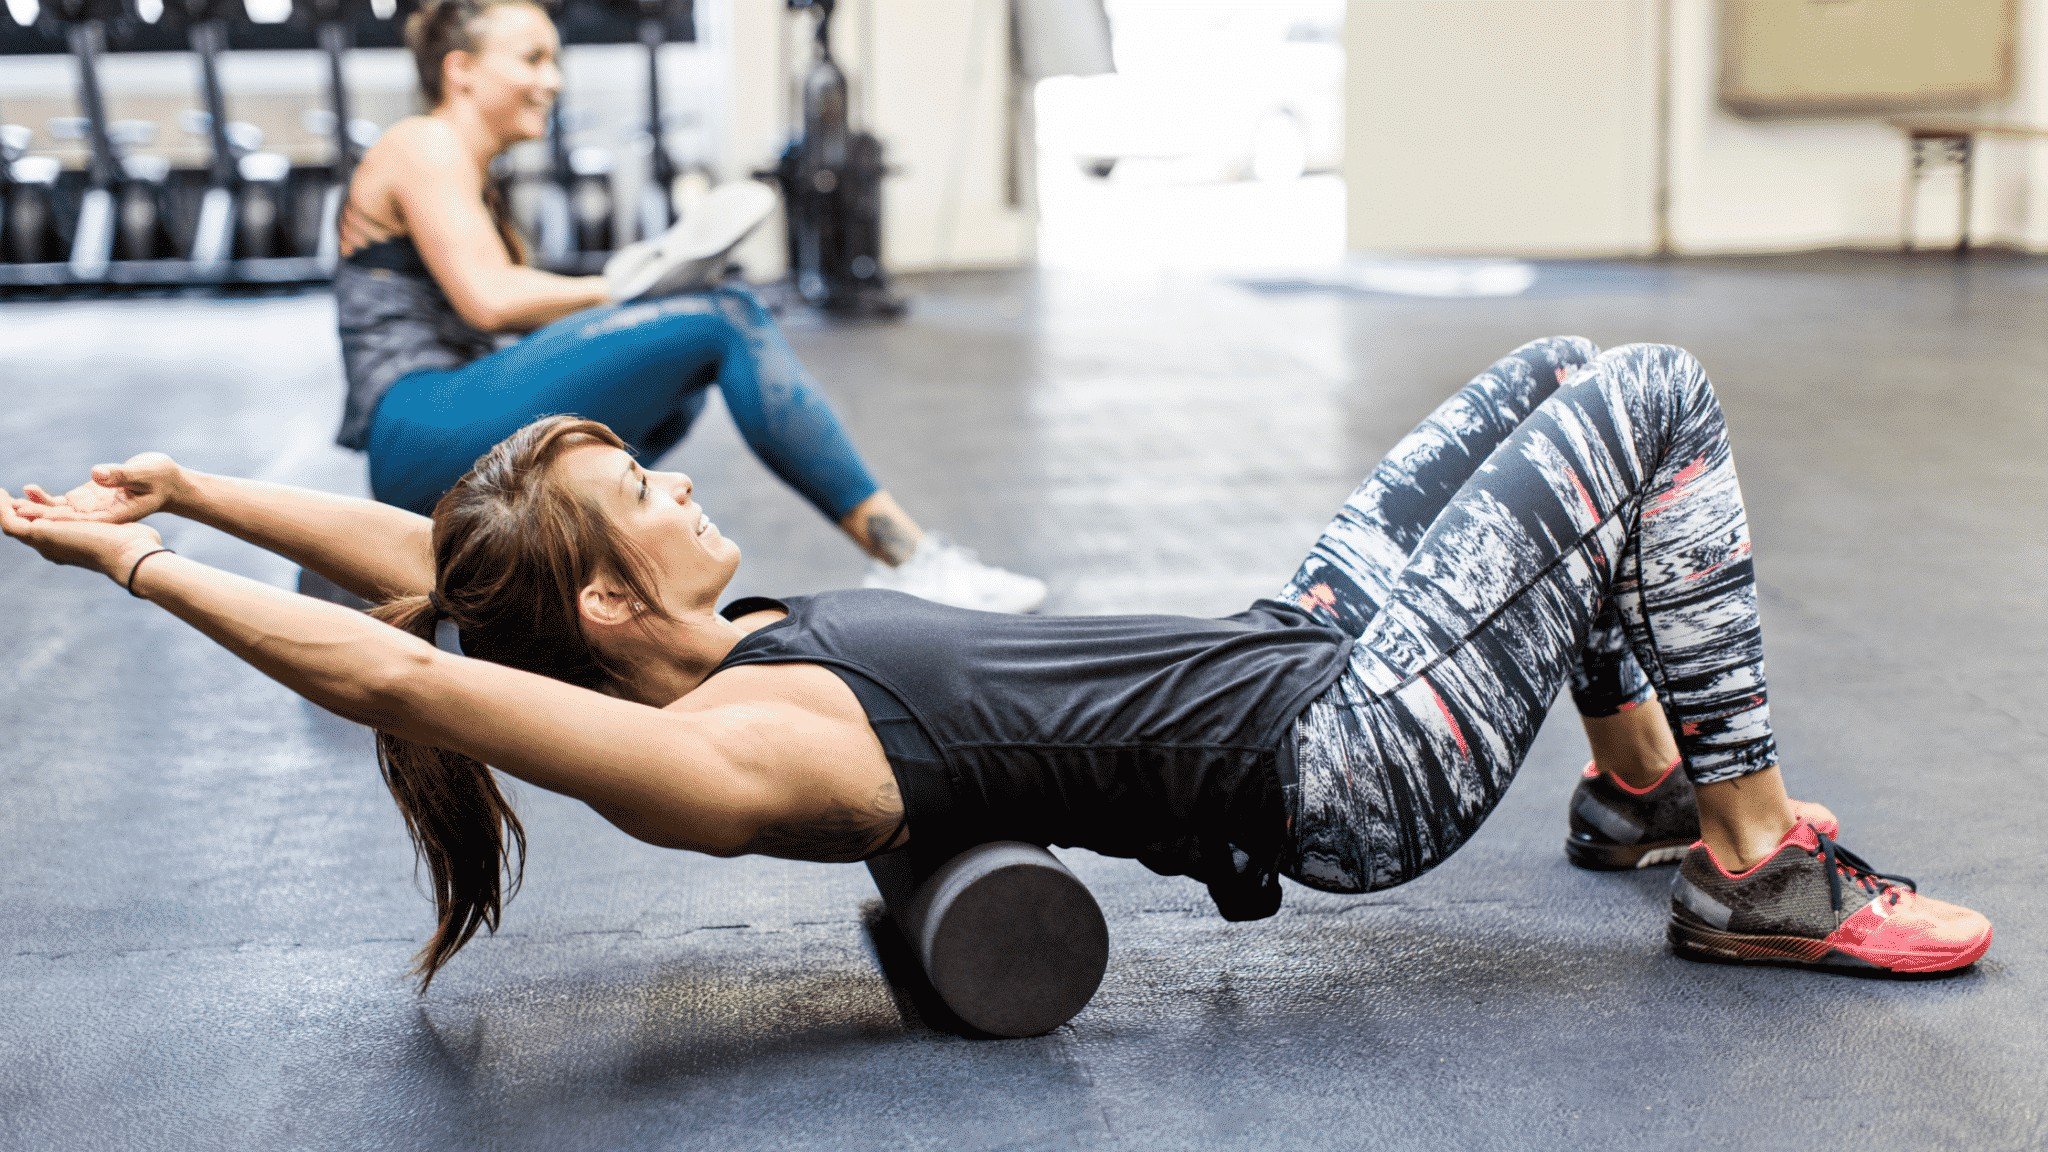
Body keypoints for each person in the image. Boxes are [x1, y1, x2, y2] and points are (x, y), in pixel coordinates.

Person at [3, 338, 1992, 991]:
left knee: (1558, 386)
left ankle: (1643, 785)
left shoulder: (696, 639)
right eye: (653, 503)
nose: (695, 500)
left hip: (1290, 642)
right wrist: (149, 574)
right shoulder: (740, 755)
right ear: (606, 614)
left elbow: (434, 576)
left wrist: (199, 482)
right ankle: (1755, 867)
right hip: (1349, 757)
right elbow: (416, 675)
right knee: (1652, 398)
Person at [331, 0, 1043, 612]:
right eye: (532, 59)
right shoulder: (423, 144)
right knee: (723, 316)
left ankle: (538, 594)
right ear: (461, 70)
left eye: (555, 60)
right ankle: (910, 558)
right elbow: (489, 301)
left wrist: (647, 292)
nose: (553, 80)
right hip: (416, 427)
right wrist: (634, 285)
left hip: (437, 428)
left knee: (678, 386)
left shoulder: (467, 171)